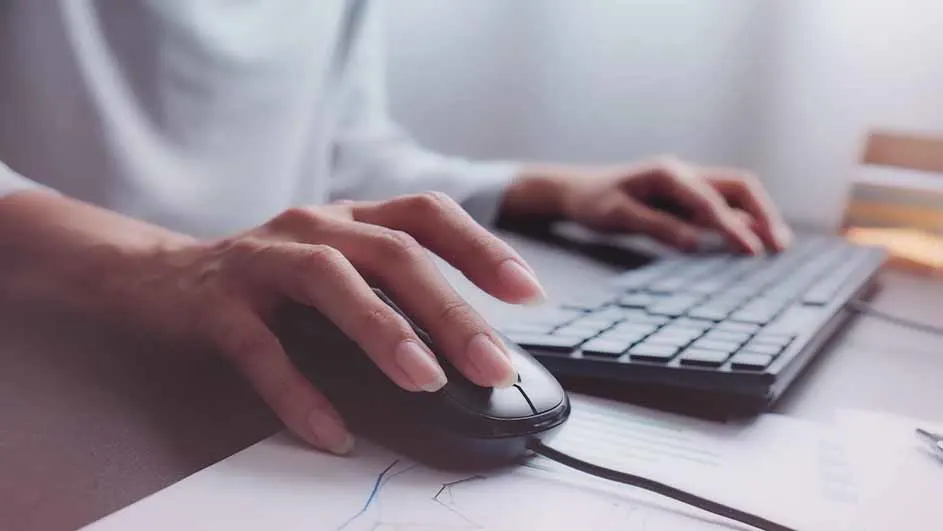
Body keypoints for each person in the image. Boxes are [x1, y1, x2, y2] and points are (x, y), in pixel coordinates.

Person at [0, 1, 791, 455]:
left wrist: (547, 188)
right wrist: (169, 263)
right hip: (46, 356)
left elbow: (343, 147)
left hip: (257, 339)